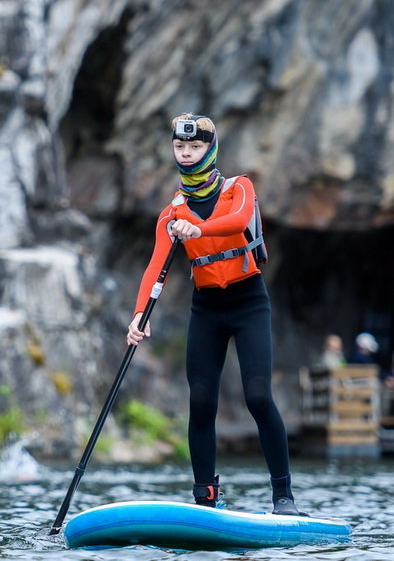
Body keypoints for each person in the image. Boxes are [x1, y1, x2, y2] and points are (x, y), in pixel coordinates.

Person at [126, 113, 304, 516]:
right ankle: (205, 497)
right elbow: (155, 266)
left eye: (194, 147)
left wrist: (196, 229)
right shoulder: (171, 213)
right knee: (201, 400)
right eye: (179, 147)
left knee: (258, 396)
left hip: (248, 302)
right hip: (206, 307)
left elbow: (238, 221)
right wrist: (139, 314)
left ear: (210, 148)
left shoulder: (238, 187)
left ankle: (284, 498)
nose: (186, 154)